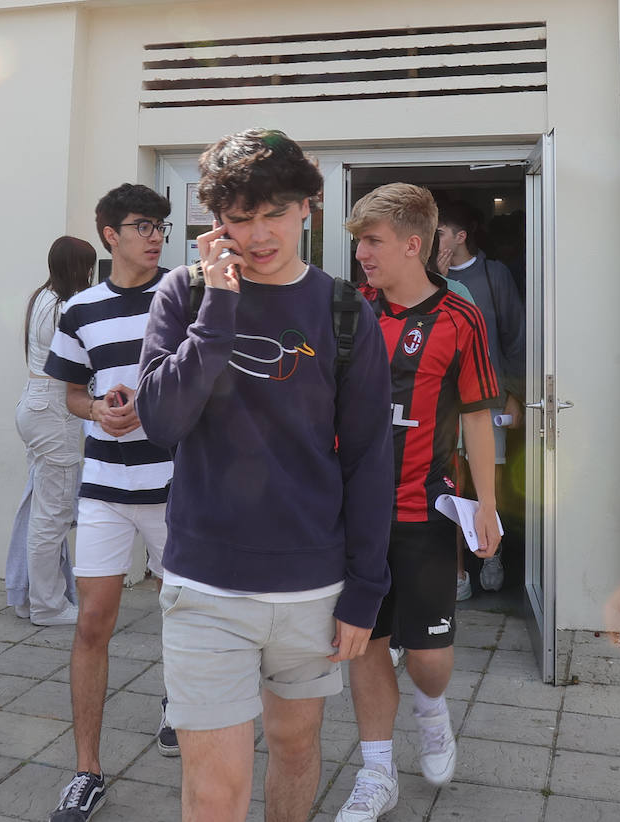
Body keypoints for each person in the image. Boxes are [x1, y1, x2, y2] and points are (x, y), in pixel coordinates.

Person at [136, 129, 393, 822]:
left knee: (294, 745)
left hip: (312, 585)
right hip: (205, 586)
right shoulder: (183, 297)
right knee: (216, 789)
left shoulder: (346, 312)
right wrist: (218, 310)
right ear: (216, 223)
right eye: (239, 218)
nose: (257, 234)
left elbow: (370, 458)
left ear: (308, 207)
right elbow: (161, 421)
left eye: (273, 213)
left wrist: (366, 590)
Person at [335, 183, 501, 820]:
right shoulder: (348, 312)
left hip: (424, 513)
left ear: (413, 243)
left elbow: (480, 416)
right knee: (366, 641)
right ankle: (377, 770)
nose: (362, 255)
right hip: (356, 516)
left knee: (429, 658)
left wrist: (485, 504)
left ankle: (432, 710)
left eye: (371, 241)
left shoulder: (461, 318)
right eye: (358, 243)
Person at [44, 184, 177, 822]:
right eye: (143, 225)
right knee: (93, 623)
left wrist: (151, 407)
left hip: (178, 487)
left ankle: (180, 705)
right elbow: (71, 394)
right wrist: (97, 407)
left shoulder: (185, 297)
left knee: (187, 614)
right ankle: (87, 770)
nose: (155, 236)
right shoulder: (81, 310)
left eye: (161, 225)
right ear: (109, 234)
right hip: (105, 486)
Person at [434, 196, 526, 595]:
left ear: (460, 237)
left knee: (491, 484)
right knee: (450, 486)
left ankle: (492, 556)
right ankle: (457, 572)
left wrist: (515, 393)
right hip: (444, 405)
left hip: (488, 400)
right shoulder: (424, 277)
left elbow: (515, 337)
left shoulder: (493, 275)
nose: (429, 239)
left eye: (438, 232)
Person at [6, 235, 98, 626]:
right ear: (77, 268)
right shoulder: (65, 307)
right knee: (53, 514)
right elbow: (87, 357)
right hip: (54, 408)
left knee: (41, 508)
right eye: (88, 266)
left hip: (36, 402)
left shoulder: (41, 299)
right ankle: (49, 605)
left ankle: (32, 598)